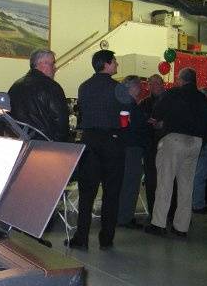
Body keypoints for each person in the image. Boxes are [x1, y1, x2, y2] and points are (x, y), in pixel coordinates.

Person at [145, 68, 207, 238]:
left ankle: (159, 223)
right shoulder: (203, 99)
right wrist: (200, 141)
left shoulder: (173, 93)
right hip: (195, 143)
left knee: (165, 182)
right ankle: (181, 227)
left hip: (174, 140)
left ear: (181, 80)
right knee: (186, 186)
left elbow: (156, 113)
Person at [67, 50, 126, 250]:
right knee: (111, 192)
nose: (117, 65)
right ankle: (106, 239)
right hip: (112, 141)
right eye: (115, 62)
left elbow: (82, 112)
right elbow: (126, 116)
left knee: (87, 192)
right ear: (107, 64)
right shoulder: (118, 88)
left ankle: (81, 238)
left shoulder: (84, 87)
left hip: (89, 140)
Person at [8, 49, 69, 142]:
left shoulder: (15, 86)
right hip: (46, 145)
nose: (55, 68)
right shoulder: (51, 86)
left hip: (21, 143)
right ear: (41, 64)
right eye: (52, 64)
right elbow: (61, 121)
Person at [117, 75, 148, 229]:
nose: (141, 89)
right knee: (130, 183)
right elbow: (125, 125)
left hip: (126, 146)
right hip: (132, 147)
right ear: (133, 87)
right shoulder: (128, 104)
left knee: (125, 183)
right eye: (139, 86)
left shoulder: (123, 103)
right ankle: (125, 217)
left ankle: (122, 215)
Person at [138, 74, 165, 218]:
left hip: (167, 145)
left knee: (167, 180)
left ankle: (167, 212)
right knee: (151, 180)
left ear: (162, 84)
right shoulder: (144, 103)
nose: (154, 86)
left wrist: (163, 124)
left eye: (156, 83)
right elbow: (138, 122)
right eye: (151, 83)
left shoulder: (170, 100)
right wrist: (146, 121)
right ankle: (153, 211)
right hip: (150, 146)